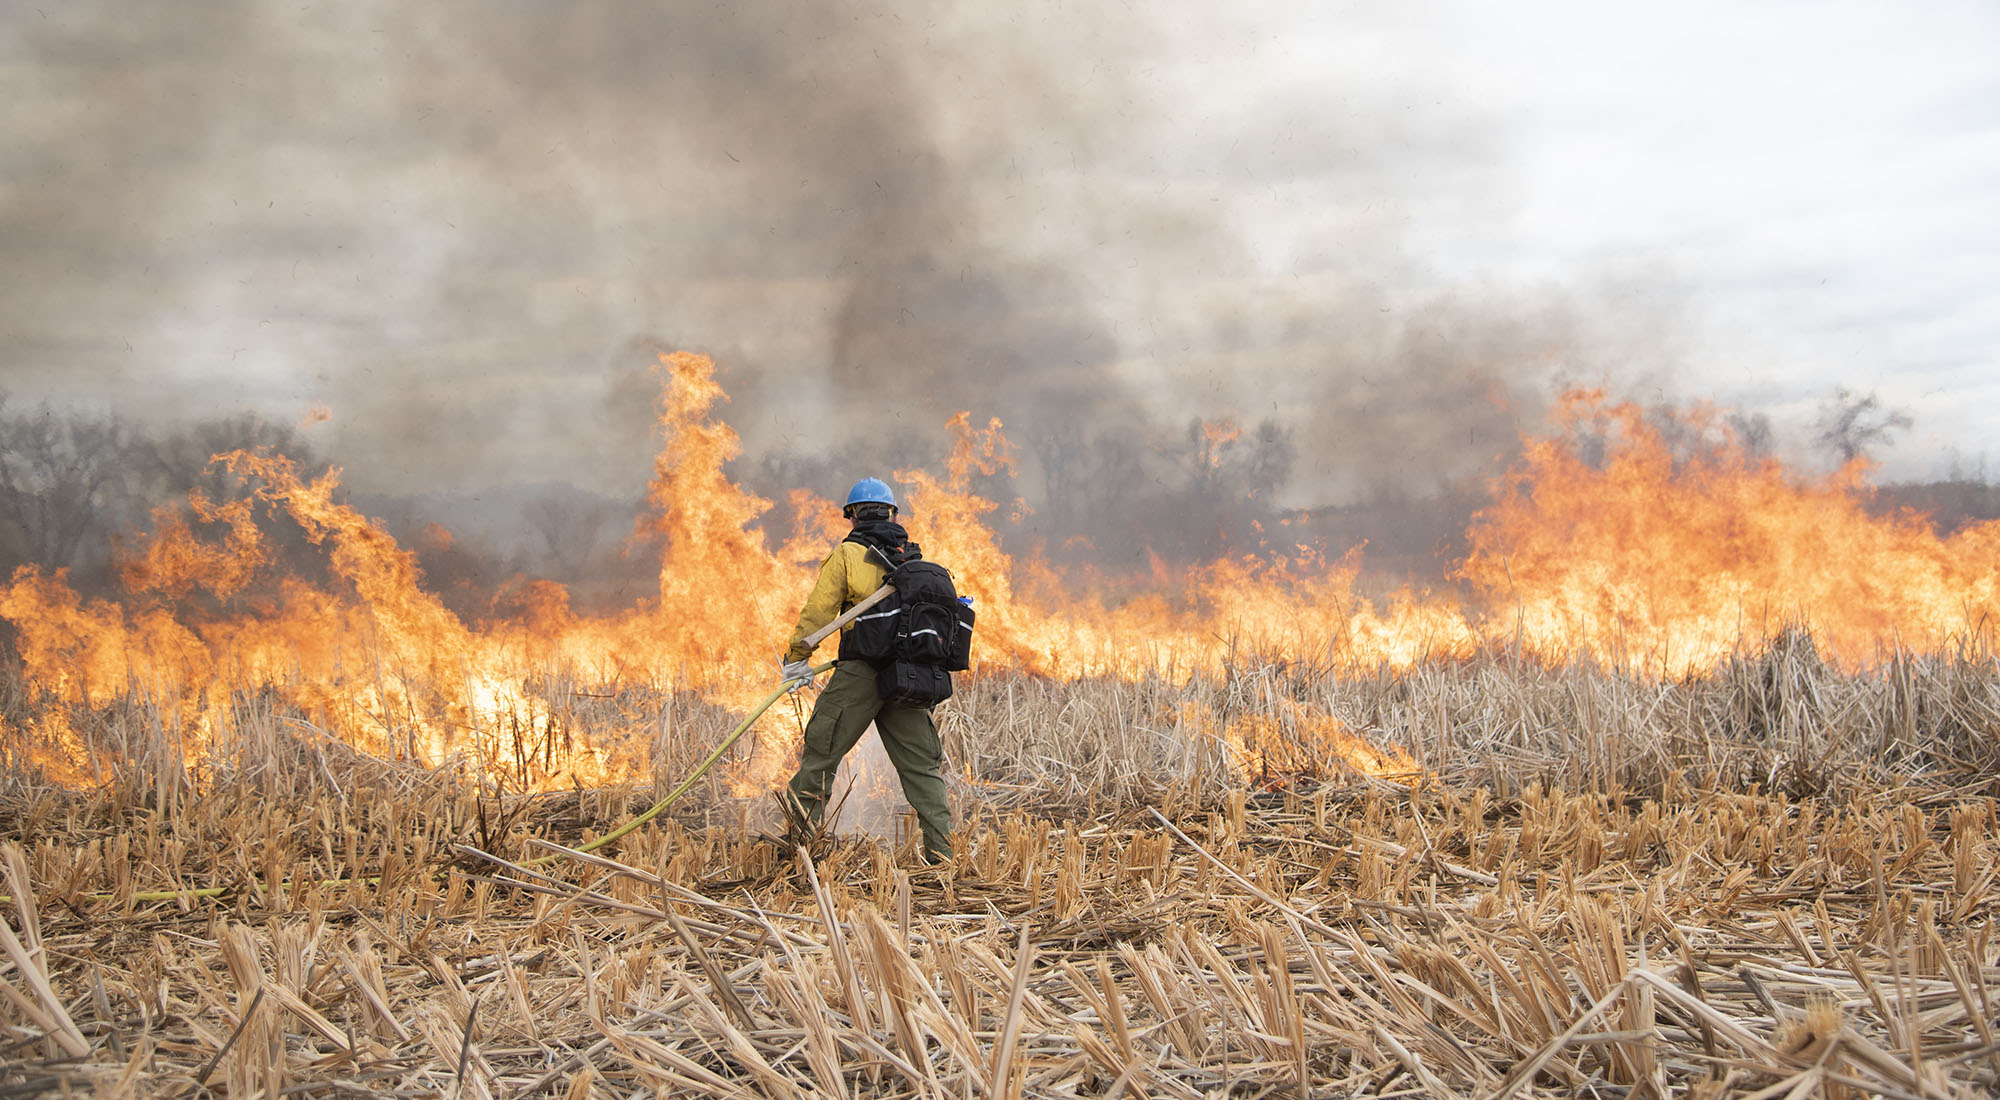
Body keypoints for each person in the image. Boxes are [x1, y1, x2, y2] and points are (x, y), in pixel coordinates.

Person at [781, 477, 953, 863]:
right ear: (893, 514)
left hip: (861, 674)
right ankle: (944, 856)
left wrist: (796, 658)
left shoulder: (847, 555)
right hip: (909, 677)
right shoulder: (915, 560)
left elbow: (818, 612)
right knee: (923, 769)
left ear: (853, 515)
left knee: (820, 757)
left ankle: (796, 855)